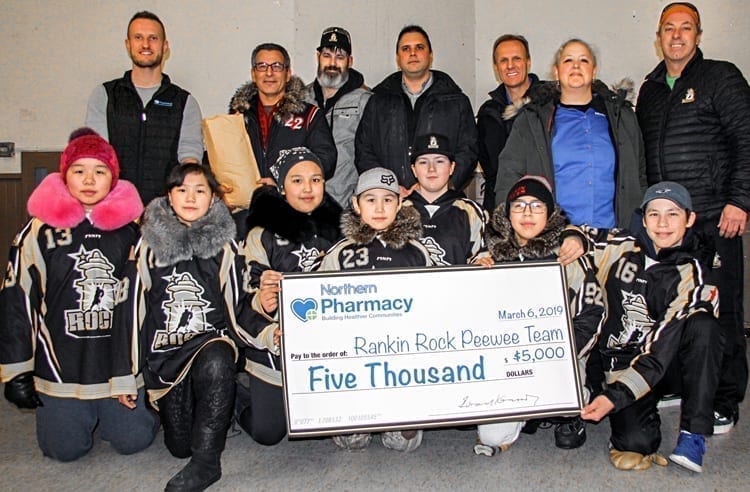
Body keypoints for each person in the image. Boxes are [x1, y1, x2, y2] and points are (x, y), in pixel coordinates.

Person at [0, 128, 158, 462]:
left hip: (114, 366)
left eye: (99, 171)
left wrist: (138, 373)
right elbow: (17, 301)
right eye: (79, 171)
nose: (89, 180)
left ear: (113, 179)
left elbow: (146, 304)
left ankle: (116, 410)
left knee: (134, 440)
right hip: (61, 366)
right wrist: (16, 370)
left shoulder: (135, 230)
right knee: (64, 451)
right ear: (64, 176)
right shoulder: (38, 231)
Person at [636, 2, 750, 433]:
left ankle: (724, 399)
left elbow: (746, 137)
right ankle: (681, 384)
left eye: (686, 28)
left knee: (720, 311)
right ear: (658, 36)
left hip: (716, 220)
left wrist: (740, 200)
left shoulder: (721, 77)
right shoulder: (650, 89)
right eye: (669, 28)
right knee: (674, 309)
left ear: (698, 36)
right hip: (667, 227)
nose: (677, 35)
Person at [115, 163, 255, 491]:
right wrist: (126, 374)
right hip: (166, 355)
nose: (190, 198)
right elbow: (130, 311)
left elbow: (238, 305)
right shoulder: (147, 244)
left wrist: (263, 337)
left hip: (209, 343)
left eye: (200, 190)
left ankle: (207, 464)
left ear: (214, 199)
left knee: (219, 358)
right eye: (182, 190)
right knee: (178, 447)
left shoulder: (226, 244)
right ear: (169, 196)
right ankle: (230, 400)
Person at [581, 181, 723, 473]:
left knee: (703, 326)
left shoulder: (692, 273)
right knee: (636, 444)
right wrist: (572, 237)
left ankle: (693, 434)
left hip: (664, 362)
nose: (662, 223)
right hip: (619, 360)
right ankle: (641, 406)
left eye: (672, 214)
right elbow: (578, 235)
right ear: (643, 219)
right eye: (654, 214)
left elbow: (661, 350)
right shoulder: (621, 245)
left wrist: (614, 397)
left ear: (689, 218)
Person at [474, 175, 603, 456]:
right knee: (492, 436)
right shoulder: (491, 255)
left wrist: (563, 354)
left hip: (559, 356)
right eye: (519, 206)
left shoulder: (567, 254)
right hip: (506, 361)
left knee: (571, 400)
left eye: (536, 206)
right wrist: (473, 271)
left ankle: (568, 410)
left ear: (550, 213)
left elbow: (592, 313)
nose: (528, 213)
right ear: (508, 214)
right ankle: (525, 413)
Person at [317, 167, 434, 452]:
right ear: (356, 205)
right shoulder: (340, 253)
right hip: (353, 358)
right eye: (370, 200)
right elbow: (318, 305)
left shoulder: (417, 252)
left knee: (405, 443)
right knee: (350, 441)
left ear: (400, 204)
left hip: (402, 357)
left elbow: (434, 306)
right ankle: (354, 411)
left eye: (387, 200)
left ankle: (402, 411)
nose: (380, 208)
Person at [236, 147, 342, 446]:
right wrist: (266, 314)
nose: (308, 188)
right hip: (274, 349)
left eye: (316, 179)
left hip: (323, 349)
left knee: (319, 431)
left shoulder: (342, 231)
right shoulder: (260, 234)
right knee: (268, 434)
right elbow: (242, 303)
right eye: (297, 181)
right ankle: (239, 395)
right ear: (282, 187)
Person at [494, 38, 646, 228]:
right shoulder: (531, 121)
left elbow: (639, 177)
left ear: (594, 71)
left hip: (613, 240)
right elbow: (508, 178)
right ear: (556, 71)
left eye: (583, 60)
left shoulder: (622, 118)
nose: (576, 66)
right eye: (568, 61)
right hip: (555, 241)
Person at [85, 11, 203, 205]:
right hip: (113, 208)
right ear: (128, 45)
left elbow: (189, 158)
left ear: (165, 47)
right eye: (138, 37)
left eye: (153, 38)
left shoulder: (185, 102)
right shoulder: (105, 95)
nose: (146, 44)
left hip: (166, 212)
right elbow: (96, 154)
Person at [355, 25, 478, 195]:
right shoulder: (378, 101)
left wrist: (443, 186)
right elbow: (364, 150)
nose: (413, 53)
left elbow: (469, 150)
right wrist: (387, 186)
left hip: (442, 203)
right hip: (389, 202)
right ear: (398, 58)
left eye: (419, 47)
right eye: (406, 49)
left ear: (430, 55)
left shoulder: (456, 101)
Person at [229, 42, 337, 184]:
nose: (269, 73)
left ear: (288, 74)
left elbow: (325, 161)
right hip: (249, 201)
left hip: (294, 202)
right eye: (262, 66)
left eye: (277, 66)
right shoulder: (238, 116)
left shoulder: (310, 115)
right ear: (253, 74)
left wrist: (285, 181)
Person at [304, 27, 372, 207]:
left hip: (346, 208)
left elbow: (372, 156)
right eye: (327, 55)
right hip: (304, 205)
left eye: (340, 57)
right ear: (318, 56)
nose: (332, 63)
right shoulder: (299, 100)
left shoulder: (365, 102)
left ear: (350, 61)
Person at [403, 133, 488, 266]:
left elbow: (481, 259)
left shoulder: (472, 212)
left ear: (452, 167)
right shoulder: (398, 210)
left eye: (440, 161)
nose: (431, 169)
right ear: (414, 170)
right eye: (423, 162)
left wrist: (481, 263)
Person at [476, 34, 540, 211]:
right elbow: (489, 168)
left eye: (516, 58)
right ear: (496, 68)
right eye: (503, 60)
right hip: (500, 206)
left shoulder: (548, 105)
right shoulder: (487, 113)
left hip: (542, 204)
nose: (510, 65)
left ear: (528, 62)